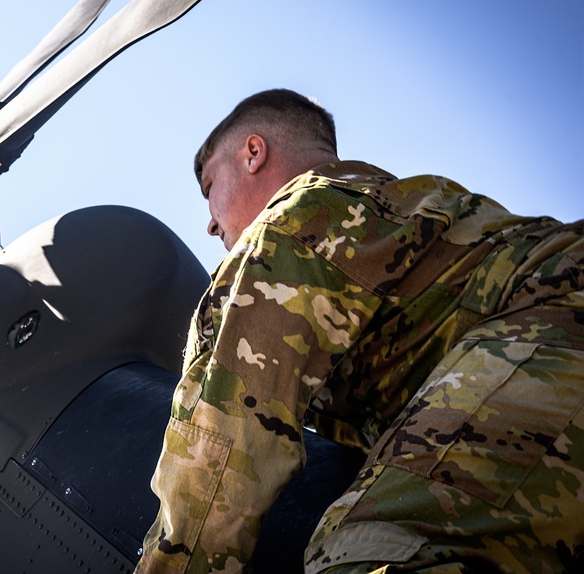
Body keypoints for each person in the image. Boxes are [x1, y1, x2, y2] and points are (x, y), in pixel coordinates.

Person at [136, 89, 584, 573]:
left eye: (209, 186)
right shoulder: (397, 204)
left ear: (253, 153)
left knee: (369, 551)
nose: (209, 224)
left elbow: (223, 448)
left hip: (552, 324)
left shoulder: (294, 221)